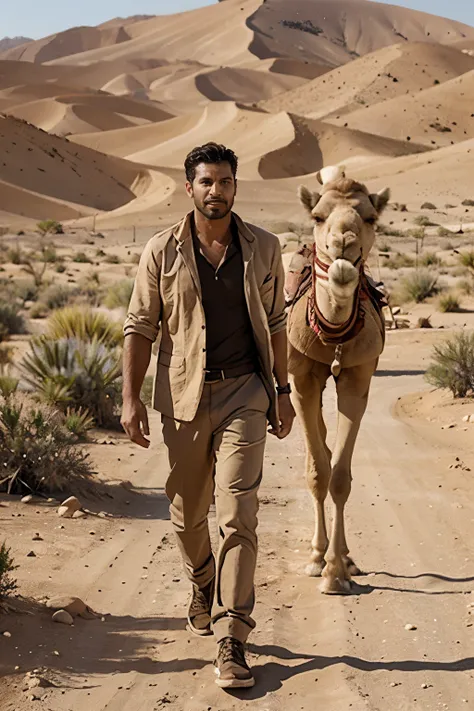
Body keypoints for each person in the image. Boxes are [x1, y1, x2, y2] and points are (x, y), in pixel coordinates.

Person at [121, 142, 295, 689]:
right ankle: (202, 576)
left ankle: (232, 635)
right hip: (183, 396)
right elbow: (139, 328)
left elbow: (277, 324)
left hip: (246, 392)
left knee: (239, 514)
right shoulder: (161, 251)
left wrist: (283, 391)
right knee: (187, 514)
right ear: (189, 187)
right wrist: (130, 399)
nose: (215, 191)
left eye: (224, 182)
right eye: (205, 182)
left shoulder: (263, 247)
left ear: (235, 187)